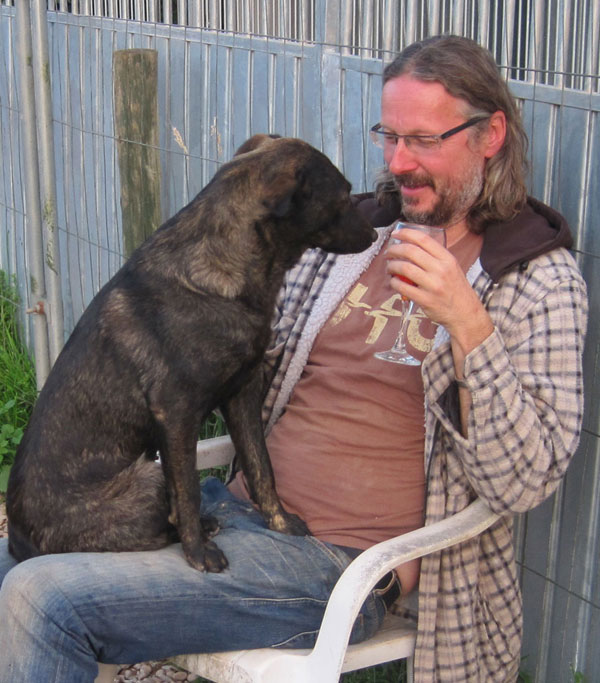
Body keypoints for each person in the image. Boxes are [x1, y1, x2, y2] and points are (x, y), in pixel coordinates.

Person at [0, 34, 587, 682]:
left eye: (423, 140)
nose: (398, 162)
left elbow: (524, 479)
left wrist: (468, 323)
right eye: (388, 136)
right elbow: (233, 343)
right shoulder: (353, 242)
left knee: (44, 599)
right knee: (15, 558)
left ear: (491, 133)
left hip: (335, 565)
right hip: (236, 512)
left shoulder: (535, 280)